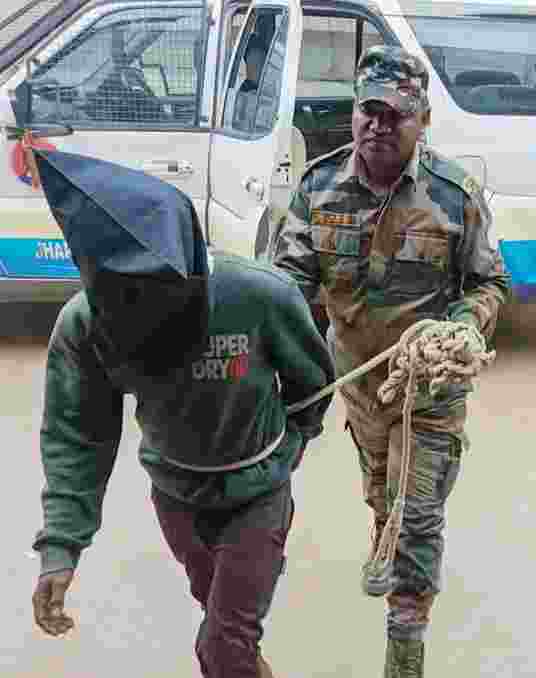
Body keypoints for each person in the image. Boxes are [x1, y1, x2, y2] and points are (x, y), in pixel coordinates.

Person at [29, 150, 334, 678]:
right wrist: (62, 547)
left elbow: (312, 385)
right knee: (223, 626)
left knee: (222, 646)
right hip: (175, 496)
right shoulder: (86, 326)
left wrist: (285, 451)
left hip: (257, 494)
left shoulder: (259, 295)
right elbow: (77, 436)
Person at [270, 46, 508, 677]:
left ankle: (405, 650)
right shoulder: (317, 188)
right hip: (359, 387)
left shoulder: (455, 195)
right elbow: (287, 288)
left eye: (393, 114)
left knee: (420, 513)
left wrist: (460, 326)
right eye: (366, 111)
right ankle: (387, 524)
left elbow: (491, 283)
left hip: (428, 388)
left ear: (422, 119)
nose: (376, 125)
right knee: (383, 492)